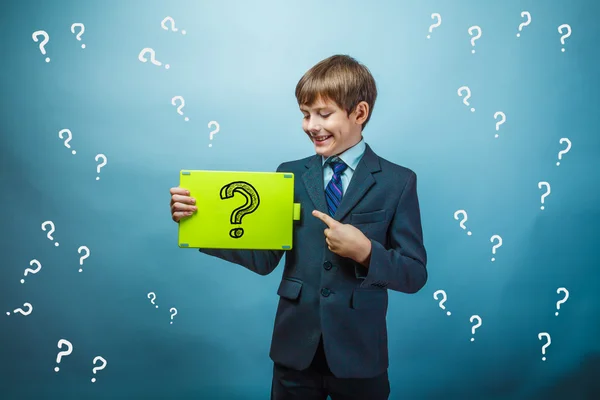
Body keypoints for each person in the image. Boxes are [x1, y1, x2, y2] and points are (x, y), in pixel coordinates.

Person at [169, 54, 427, 400]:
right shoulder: (288, 175)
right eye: (305, 115)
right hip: (295, 352)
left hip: (360, 354)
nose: (311, 125)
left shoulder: (398, 182)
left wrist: (365, 252)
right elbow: (264, 258)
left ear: (359, 113)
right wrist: (196, 223)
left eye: (323, 114)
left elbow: (413, 273)